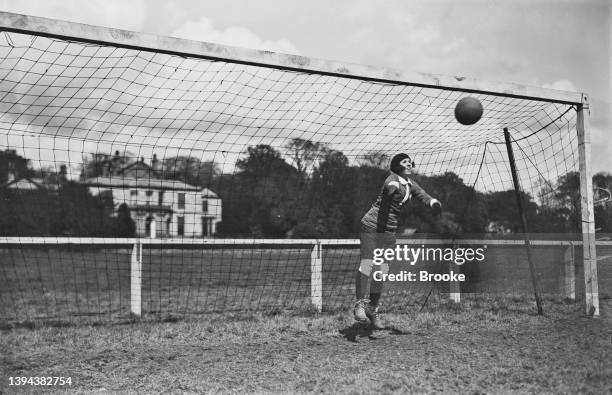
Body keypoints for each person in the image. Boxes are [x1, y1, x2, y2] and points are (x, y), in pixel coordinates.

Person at [355, 153, 441, 329]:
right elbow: (390, 186)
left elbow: (423, 195)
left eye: (410, 162)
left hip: (389, 231)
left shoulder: (410, 184)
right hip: (372, 226)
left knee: (382, 269)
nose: (409, 164)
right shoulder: (392, 179)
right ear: (397, 165)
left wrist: (433, 203)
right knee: (367, 264)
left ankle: (372, 308)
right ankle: (359, 305)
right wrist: (392, 189)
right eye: (405, 162)